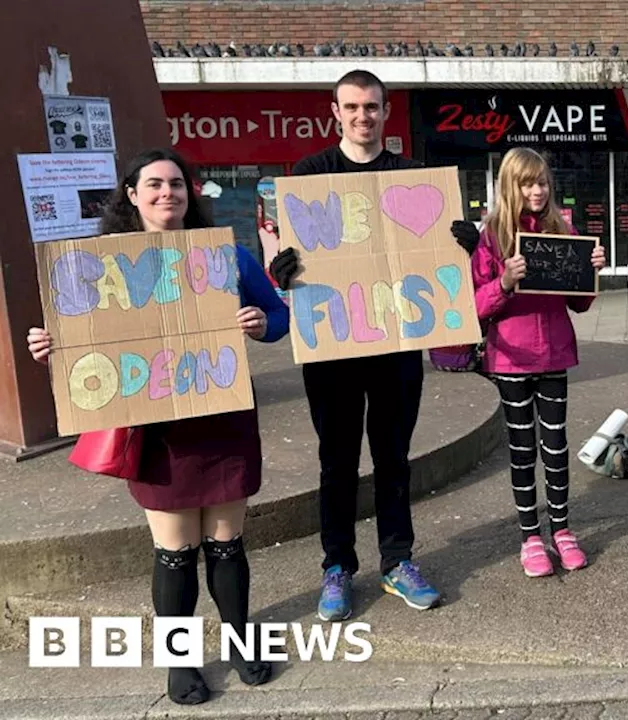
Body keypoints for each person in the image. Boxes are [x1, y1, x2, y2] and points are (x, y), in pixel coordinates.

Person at [27, 148, 288, 705]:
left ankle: (242, 643)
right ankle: (181, 660)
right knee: (175, 552)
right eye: (155, 184)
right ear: (132, 194)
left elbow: (281, 317)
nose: (167, 192)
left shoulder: (229, 260)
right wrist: (52, 347)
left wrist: (263, 321)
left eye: (176, 183)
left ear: (190, 193)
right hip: (156, 430)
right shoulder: (97, 267)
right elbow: (75, 340)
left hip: (221, 418)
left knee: (227, 544)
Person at [268, 69, 481, 621]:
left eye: (372, 107)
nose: (363, 116)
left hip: (396, 345)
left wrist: (463, 248)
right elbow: (294, 265)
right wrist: (282, 270)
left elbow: (441, 264)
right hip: (333, 348)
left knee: (393, 459)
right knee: (336, 461)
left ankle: (396, 562)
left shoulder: (412, 178)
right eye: (352, 107)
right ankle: (337, 567)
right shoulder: (311, 175)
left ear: (387, 113)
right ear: (335, 112)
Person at [471, 148, 606, 576]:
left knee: (555, 446)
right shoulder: (491, 236)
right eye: (528, 183)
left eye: (543, 182)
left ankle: (562, 531)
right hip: (510, 358)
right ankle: (530, 537)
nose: (537, 190)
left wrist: (591, 272)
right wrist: (505, 282)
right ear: (511, 186)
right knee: (522, 449)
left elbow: (579, 304)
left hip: (553, 355)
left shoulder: (561, 228)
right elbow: (472, 306)